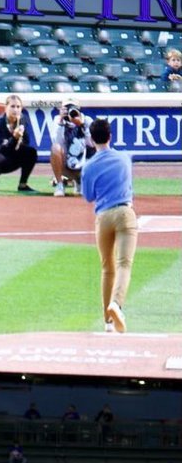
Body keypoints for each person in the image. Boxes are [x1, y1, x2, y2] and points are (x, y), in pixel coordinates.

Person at [81, 117, 138, 335]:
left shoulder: (89, 166)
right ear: (110, 136)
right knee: (124, 264)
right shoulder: (124, 158)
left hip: (103, 216)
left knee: (107, 268)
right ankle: (116, 303)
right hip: (124, 212)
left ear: (91, 139)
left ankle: (107, 321)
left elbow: (88, 196)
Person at [0, 94, 38, 193]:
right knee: (4, 160)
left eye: (18, 107)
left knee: (31, 153)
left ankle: (23, 184)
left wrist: (20, 140)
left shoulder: (22, 120)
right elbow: (3, 148)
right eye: (12, 106)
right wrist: (14, 138)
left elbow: (26, 142)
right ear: (5, 107)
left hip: (10, 152)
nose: (15, 110)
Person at [49, 99, 94, 197]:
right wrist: (61, 122)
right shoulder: (58, 120)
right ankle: (60, 185)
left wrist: (81, 125)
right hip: (66, 163)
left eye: (73, 108)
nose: (70, 111)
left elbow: (92, 144)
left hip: (84, 162)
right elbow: (57, 142)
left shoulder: (87, 120)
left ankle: (81, 182)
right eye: (67, 108)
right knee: (55, 148)